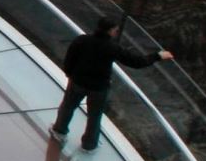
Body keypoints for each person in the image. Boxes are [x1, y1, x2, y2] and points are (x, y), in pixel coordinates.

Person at [51, 14, 172, 152]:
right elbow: (136, 62)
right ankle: (89, 145)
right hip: (98, 88)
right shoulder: (112, 48)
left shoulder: (82, 40)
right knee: (94, 117)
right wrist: (157, 56)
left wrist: (69, 74)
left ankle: (59, 131)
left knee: (67, 106)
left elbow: (70, 58)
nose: (116, 32)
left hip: (77, 82)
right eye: (116, 30)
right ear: (110, 31)